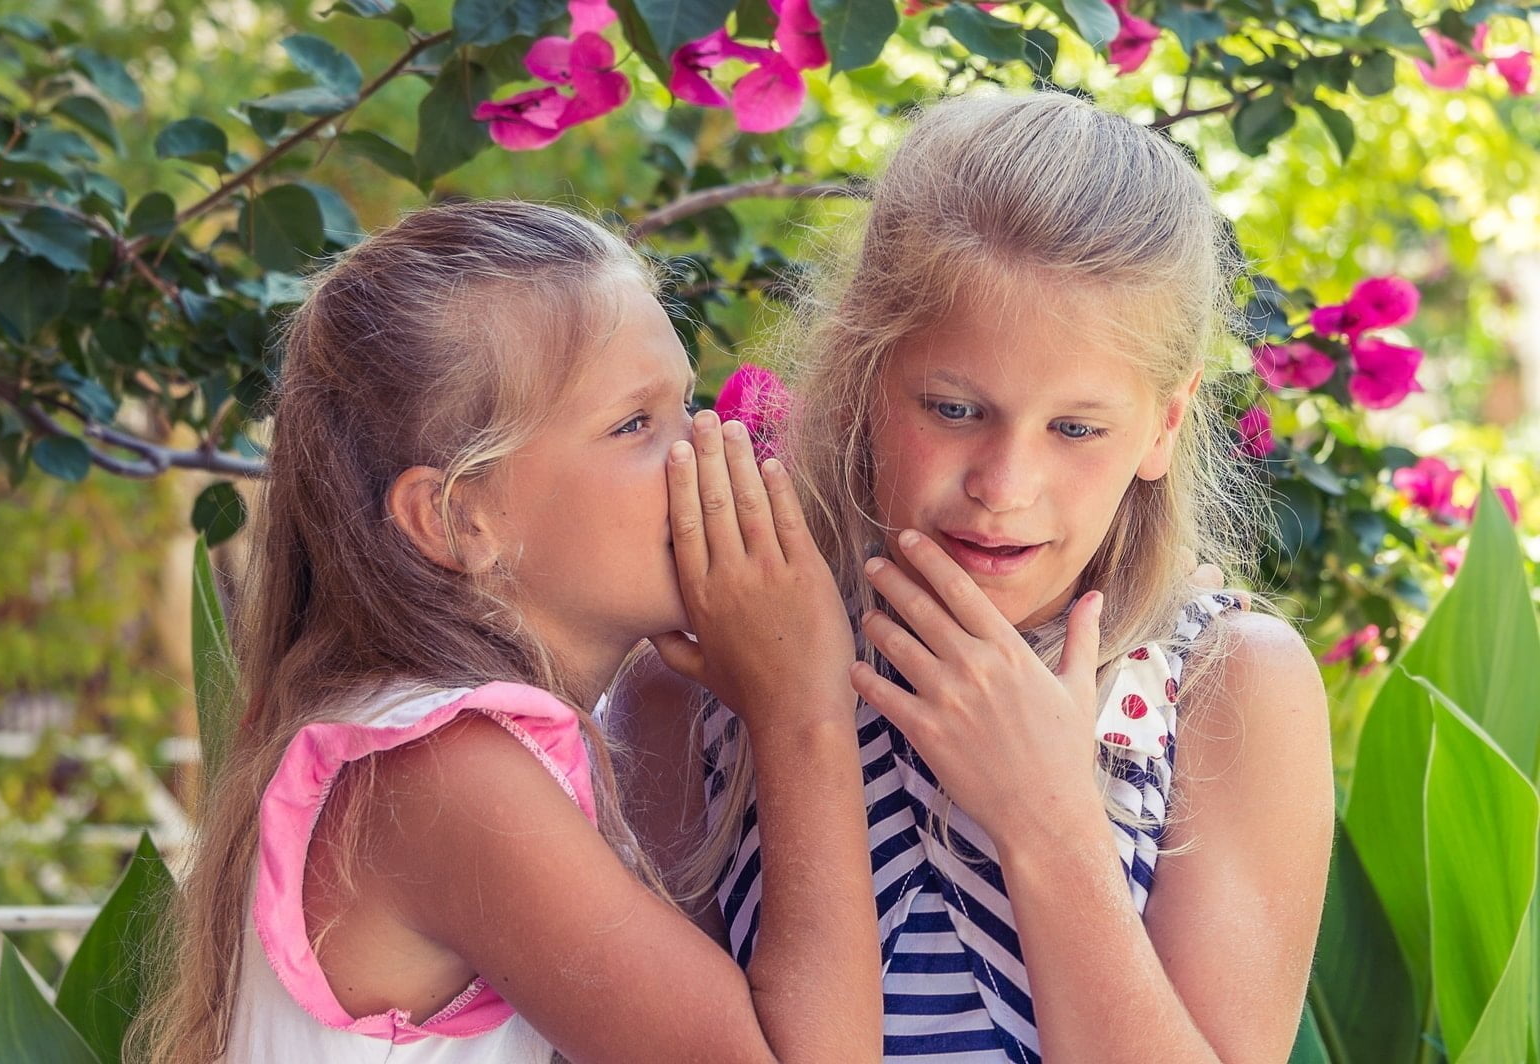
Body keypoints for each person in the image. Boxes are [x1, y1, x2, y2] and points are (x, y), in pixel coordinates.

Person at [614, 92, 1334, 1062]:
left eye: (1076, 428)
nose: (1003, 485)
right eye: (953, 408)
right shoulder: (705, 674)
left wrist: (1049, 824)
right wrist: (797, 714)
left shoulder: (1224, 685)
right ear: (869, 374)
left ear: (1164, 424)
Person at [130, 200, 882, 1064]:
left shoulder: (453, 746)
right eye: (636, 423)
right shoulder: (446, 775)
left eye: (687, 402)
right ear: (458, 520)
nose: (708, 446)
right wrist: (802, 706)